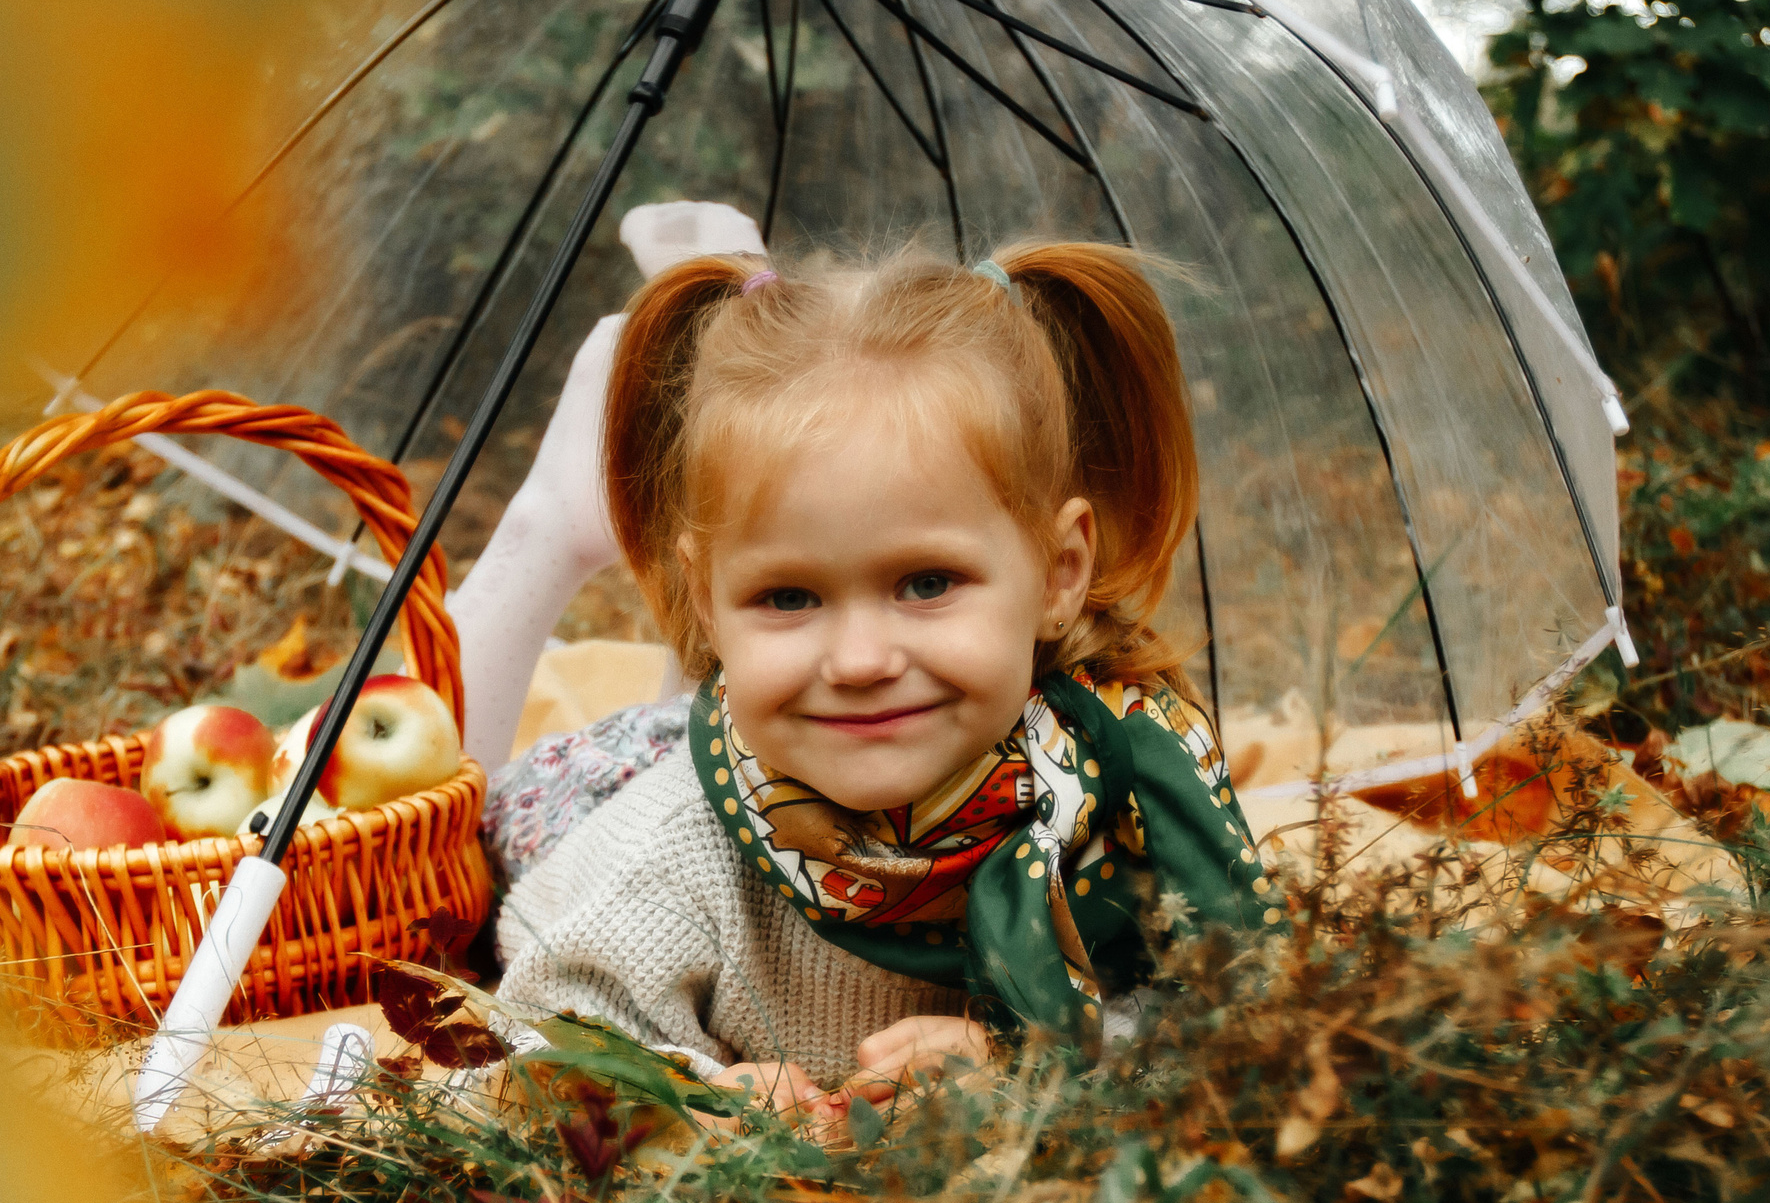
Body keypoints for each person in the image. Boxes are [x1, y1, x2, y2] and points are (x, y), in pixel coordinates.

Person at [491, 241, 1280, 1120]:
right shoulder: (680, 849)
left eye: (928, 583)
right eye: (788, 596)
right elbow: (548, 1027)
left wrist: (1038, 1060)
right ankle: (550, 520)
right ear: (708, 607)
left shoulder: (1120, 801)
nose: (861, 660)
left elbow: (1228, 1012)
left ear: (1060, 572)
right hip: (579, 800)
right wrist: (695, 1087)